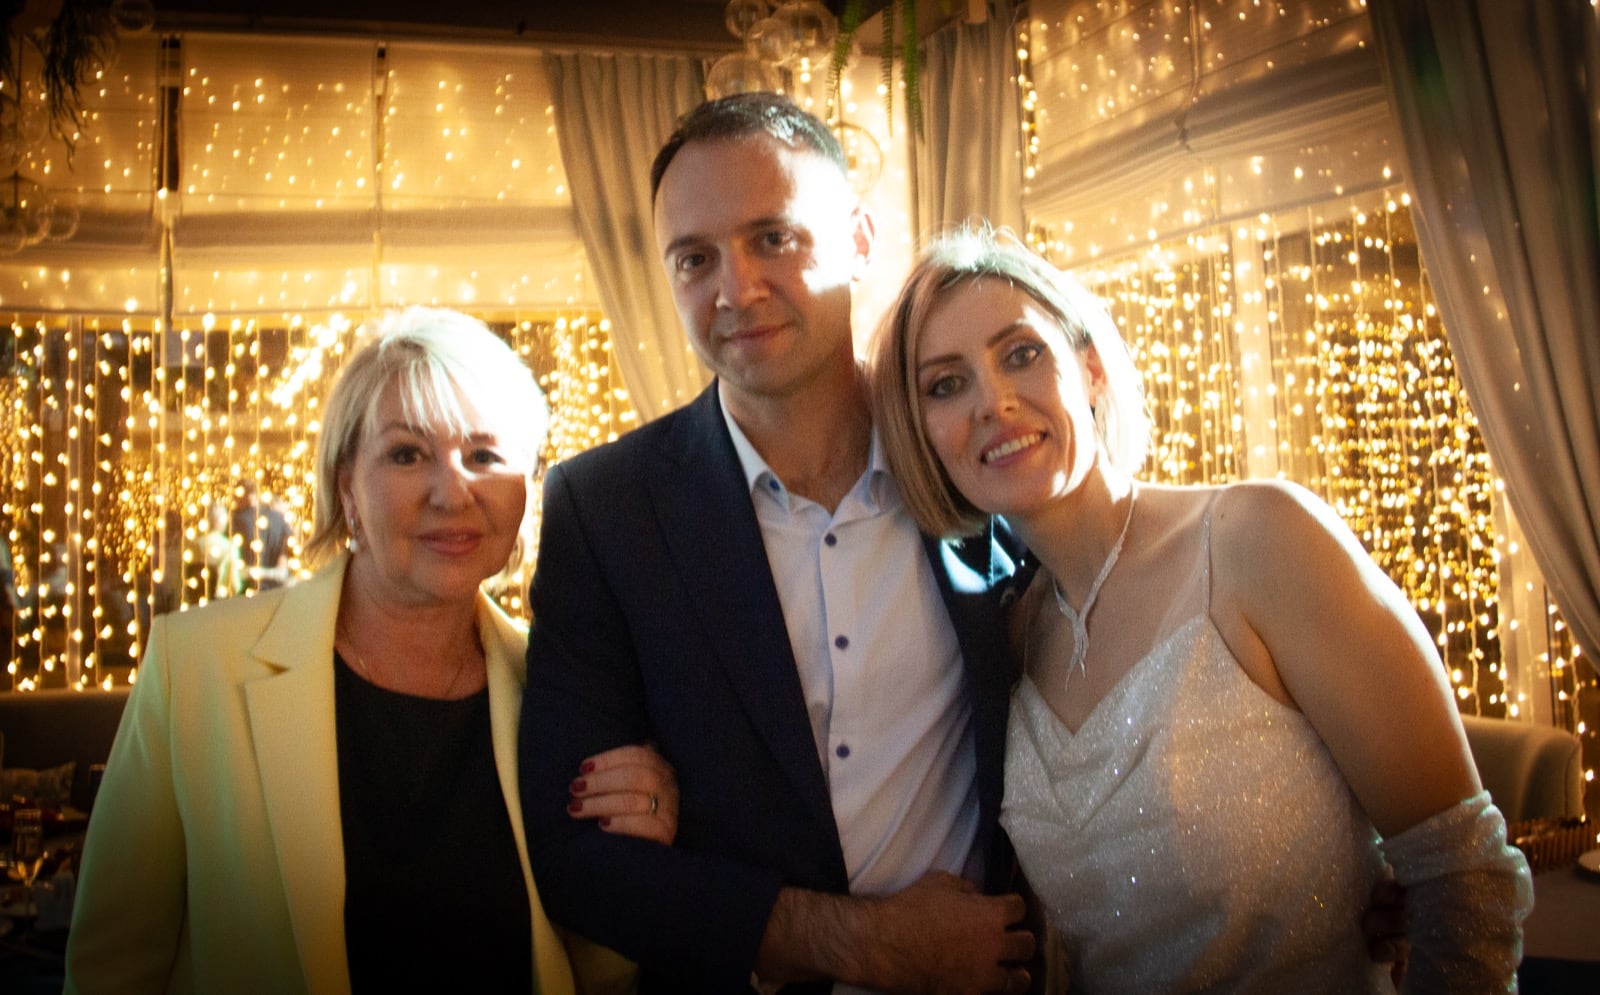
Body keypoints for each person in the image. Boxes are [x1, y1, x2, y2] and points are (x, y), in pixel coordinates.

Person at [866, 224, 1534, 992]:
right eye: (945, 385)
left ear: (1089, 367)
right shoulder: (1007, 638)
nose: (994, 402)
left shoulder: (1260, 539)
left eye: (1020, 354)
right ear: (923, 435)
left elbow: (1463, 875)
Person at [519, 93, 1036, 994]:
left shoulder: (972, 455)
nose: (736, 289)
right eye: (695, 258)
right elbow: (573, 858)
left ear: (860, 241)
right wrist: (855, 941)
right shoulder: (603, 509)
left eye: (773, 238)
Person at [66, 306, 678, 994]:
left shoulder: (562, 685)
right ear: (346, 487)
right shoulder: (196, 666)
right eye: (407, 454)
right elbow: (109, 971)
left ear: (525, 489)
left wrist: (638, 850)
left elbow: (600, 975)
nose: (453, 492)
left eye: (484, 456)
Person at [231, 478, 291, 590]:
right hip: (276, 589)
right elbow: (285, 557)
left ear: (240, 495)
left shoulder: (234, 520)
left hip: (246, 588)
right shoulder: (279, 518)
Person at [198, 499, 244, 598]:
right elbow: (234, 586)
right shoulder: (229, 548)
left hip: (193, 602)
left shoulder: (193, 545)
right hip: (219, 601)